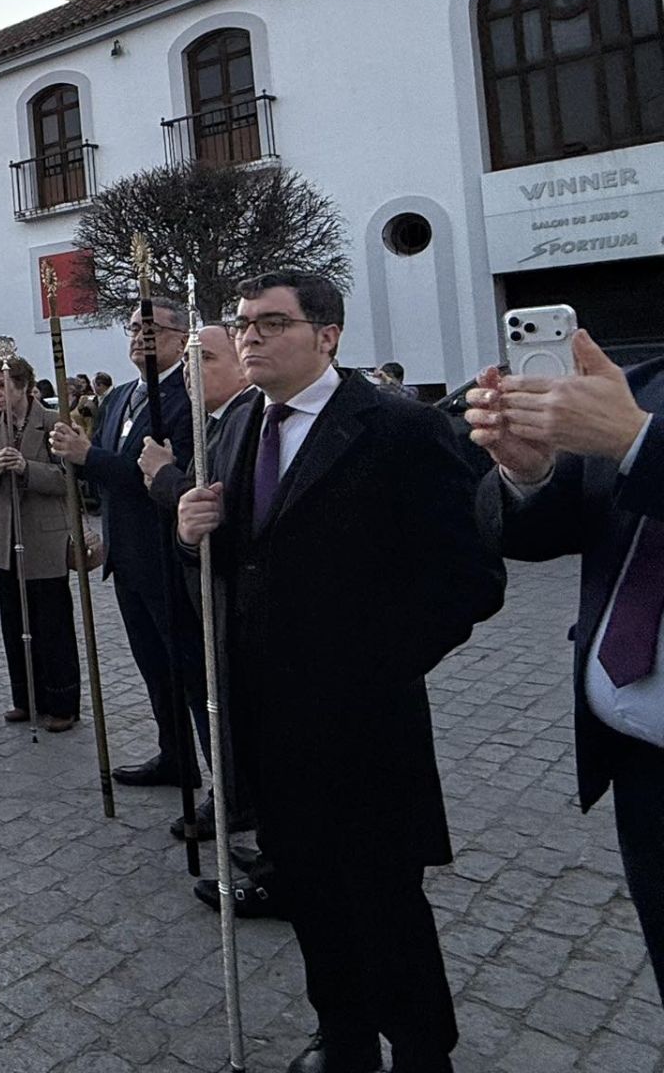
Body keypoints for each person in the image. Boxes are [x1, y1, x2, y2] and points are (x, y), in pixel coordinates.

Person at [177, 270, 503, 1073]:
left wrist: (374, 666)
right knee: (310, 892)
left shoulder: (399, 429)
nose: (249, 336)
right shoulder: (238, 422)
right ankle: (345, 1036)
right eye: (244, 323)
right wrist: (192, 534)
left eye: (271, 323)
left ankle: (423, 1050)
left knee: (384, 900)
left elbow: (470, 582)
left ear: (328, 336)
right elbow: (236, 562)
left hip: (364, 722)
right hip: (265, 713)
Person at [468, 327, 664, 999]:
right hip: (643, 760)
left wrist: (638, 442)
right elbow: (546, 534)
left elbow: (639, 453)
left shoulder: (629, 412)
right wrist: (527, 471)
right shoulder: (637, 386)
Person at [51, 298, 203, 789]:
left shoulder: (189, 395)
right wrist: (78, 462)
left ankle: (227, 783)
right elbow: (106, 475)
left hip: (167, 555)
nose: (140, 336)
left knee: (191, 674)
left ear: (181, 338)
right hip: (127, 556)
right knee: (155, 670)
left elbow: (155, 474)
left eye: (152, 328)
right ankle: (174, 754)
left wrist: (89, 456)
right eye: (134, 327)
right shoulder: (118, 397)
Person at [141, 319, 264, 845]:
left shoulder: (244, 419)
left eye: (206, 358)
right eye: (188, 360)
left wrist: (165, 477)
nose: (191, 372)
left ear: (242, 366)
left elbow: (219, 504)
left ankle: (245, 806)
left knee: (241, 710)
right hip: (200, 588)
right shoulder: (211, 419)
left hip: (239, 600)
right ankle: (238, 799)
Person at [0, 353, 78, 729]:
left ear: (24, 386)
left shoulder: (51, 421)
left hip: (42, 536)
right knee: (13, 621)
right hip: (4, 535)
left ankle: (63, 702)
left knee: (51, 622)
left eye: (2, 386)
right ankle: (25, 697)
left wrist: (28, 469)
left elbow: (68, 478)